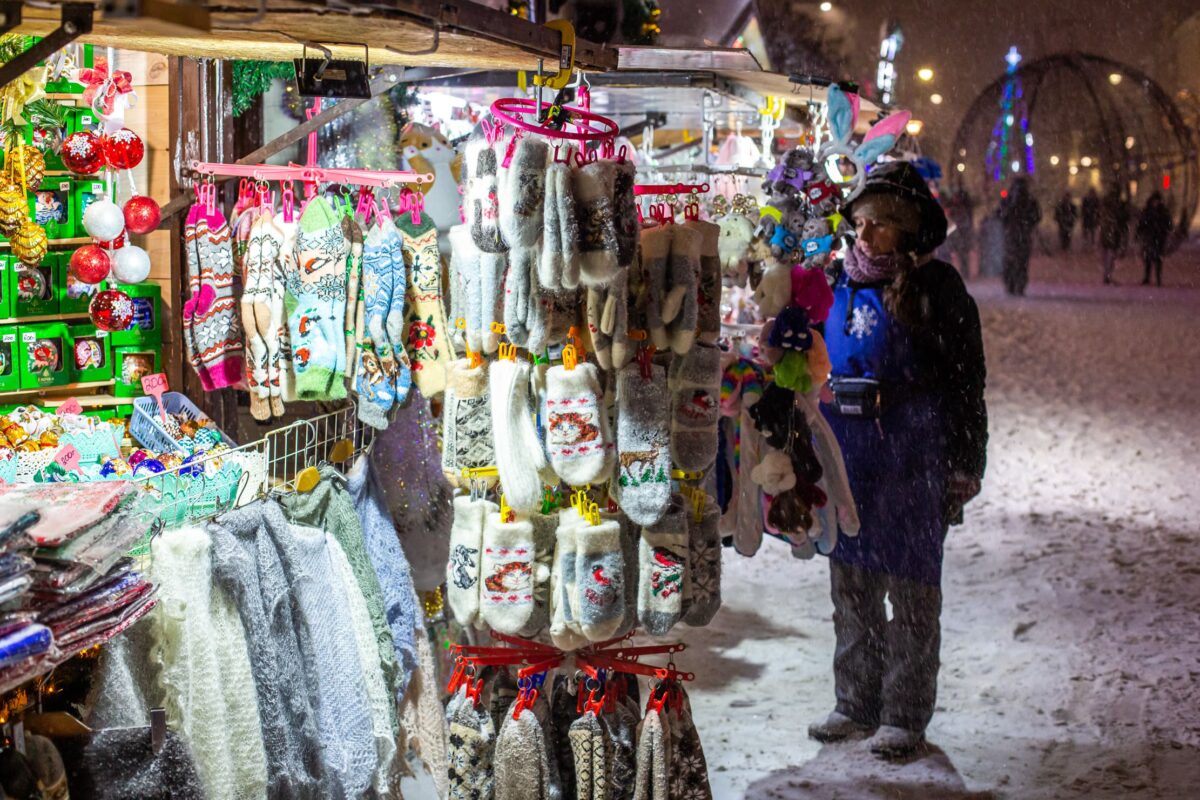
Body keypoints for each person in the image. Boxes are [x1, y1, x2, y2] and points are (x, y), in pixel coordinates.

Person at [810, 161, 988, 758]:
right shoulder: (835, 281)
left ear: (908, 229)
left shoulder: (940, 289)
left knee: (911, 591)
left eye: (880, 224)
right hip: (849, 456)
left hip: (914, 455)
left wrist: (966, 462)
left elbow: (968, 384)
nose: (864, 234)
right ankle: (855, 702)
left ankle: (904, 714)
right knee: (851, 586)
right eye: (860, 222)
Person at [997, 176, 1041, 295]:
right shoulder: (1029, 200)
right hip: (1023, 235)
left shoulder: (1009, 199)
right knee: (1022, 262)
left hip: (1011, 235)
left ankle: (1011, 284)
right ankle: (1019, 285)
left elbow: (1000, 214)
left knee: (1011, 261)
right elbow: (1036, 217)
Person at [1135, 192, 1173, 286]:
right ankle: (1147, 277)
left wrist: (1165, 230)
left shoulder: (1162, 211)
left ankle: (1158, 278)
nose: (1155, 203)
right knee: (1148, 258)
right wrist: (1139, 233)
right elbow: (1142, 223)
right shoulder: (1148, 211)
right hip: (1150, 237)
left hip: (1159, 238)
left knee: (1157, 259)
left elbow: (1168, 224)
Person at [1098, 185, 1130, 285]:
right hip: (1113, 232)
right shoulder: (1116, 205)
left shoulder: (1107, 204)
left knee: (1107, 255)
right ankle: (1107, 275)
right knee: (1110, 255)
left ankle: (1107, 274)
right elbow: (1122, 218)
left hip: (1108, 232)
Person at [943, 183, 975, 274]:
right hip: (957, 236)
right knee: (956, 255)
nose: (956, 199)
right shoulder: (954, 209)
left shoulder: (961, 209)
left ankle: (964, 272)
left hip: (960, 236)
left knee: (961, 255)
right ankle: (961, 272)